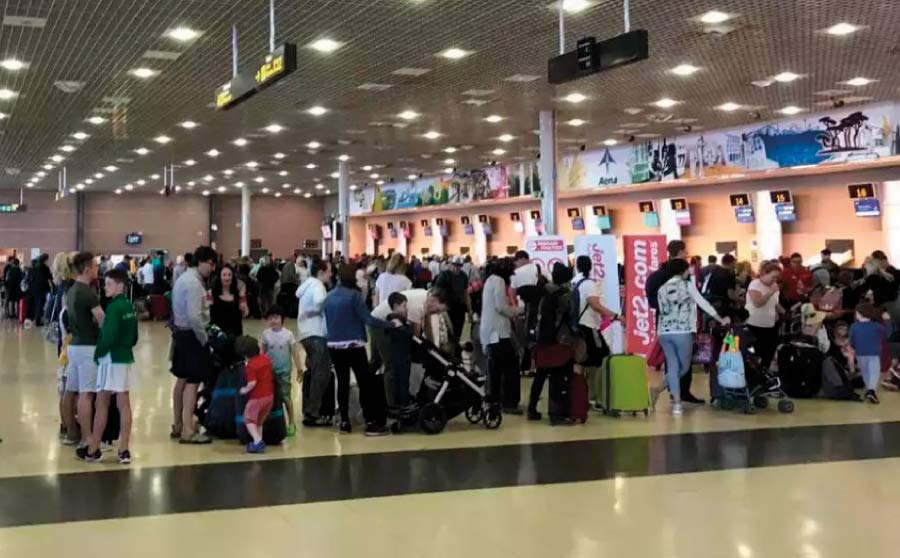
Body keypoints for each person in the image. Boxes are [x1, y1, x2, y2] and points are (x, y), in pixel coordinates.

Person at [323, 264, 395, 435]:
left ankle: (345, 422)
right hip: (354, 344)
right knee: (365, 383)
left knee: (342, 382)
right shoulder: (354, 296)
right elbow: (367, 319)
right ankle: (370, 420)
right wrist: (389, 324)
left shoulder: (329, 296)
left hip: (334, 345)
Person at [80, 268, 138, 464]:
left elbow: (109, 336)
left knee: (102, 403)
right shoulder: (130, 306)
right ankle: (124, 449)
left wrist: (98, 353)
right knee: (124, 404)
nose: (105, 288)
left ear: (120, 285)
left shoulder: (113, 308)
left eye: (109, 284)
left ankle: (93, 448)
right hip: (126, 358)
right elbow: (135, 336)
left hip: (110, 359)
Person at [657, 258, 729, 415]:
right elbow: (703, 304)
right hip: (682, 331)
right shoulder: (687, 285)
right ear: (682, 270)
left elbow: (662, 310)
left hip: (664, 331)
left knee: (673, 365)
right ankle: (660, 390)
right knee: (682, 368)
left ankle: (675, 403)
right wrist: (720, 319)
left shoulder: (662, 288)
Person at [371, 287, 450, 407]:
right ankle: (391, 404)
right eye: (438, 310)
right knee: (390, 363)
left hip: (379, 320)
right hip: (380, 323)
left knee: (376, 361)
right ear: (434, 300)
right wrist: (428, 350)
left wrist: (434, 348)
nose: (437, 313)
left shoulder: (425, 299)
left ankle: (368, 388)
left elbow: (427, 326)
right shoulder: (418, 305)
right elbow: (416, 336)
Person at [170, 246, 217, 444]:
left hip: (180, 334)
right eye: (211, 264)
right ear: (202, 261)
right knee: (192, 381)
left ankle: (178, 424)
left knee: (181, 379)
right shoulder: (194, 284)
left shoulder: (183, 278)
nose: (212, 269)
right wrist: (204, 339)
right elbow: (194, 317)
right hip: (192, 336)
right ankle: (188, 430)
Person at [64, 252, 105, 450]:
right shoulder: (88, 293)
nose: (97, 269)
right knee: (86, 394)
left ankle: (72, 433)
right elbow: (102, 319)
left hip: (74, 347)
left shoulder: (71, 291)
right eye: (96, 266)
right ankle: (87, 437)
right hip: (89, 347)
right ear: (87, 269)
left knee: (71, 390)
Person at [528, 263, 577, 425]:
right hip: (558, 341)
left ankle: (532, 409)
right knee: (557, 376)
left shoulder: (542, 291)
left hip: (541, 338)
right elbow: (572, 315)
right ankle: (557, 415)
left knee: (541, 375)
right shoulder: (565, 295)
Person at [573, 255, 620, 405]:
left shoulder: (574, 282)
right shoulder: (589, 284)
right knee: (599, 359)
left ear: (577, 267)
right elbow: (595, 305)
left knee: (580, 361)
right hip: (589, 326)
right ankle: (593, 396)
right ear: (590, 266)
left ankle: (580, 395)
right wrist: (616, 316)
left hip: (576, 326)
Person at [480, 257, 524, 414]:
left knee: (495, 369)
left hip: (491, 332)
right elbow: (500, 307)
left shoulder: (490, 280)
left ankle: (495, 399)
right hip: (498, 333)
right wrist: (518, 311)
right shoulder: (498, 281)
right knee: (511, 366)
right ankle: (509, 402)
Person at [296, 259, 333, 427]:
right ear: (321, 272)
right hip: (316, 333)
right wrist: (315, 311)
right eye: (329, 271)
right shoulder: (318, 286)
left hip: (305, 333)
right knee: (322, 373)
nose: (331, 274)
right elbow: (320, 303)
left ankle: (309, 409)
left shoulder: (307, 285)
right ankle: (313, 412)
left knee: (313, 372)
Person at [262, 305, 301, 437]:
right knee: (270, 397)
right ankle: (271, 422)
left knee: (285, 396)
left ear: (282, 319)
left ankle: (291, 422)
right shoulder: (265, 334)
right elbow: (262, 352)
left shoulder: (288, 334)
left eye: (276, 317)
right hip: (269, 372)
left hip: (284, 371)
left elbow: (295, 352)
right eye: (271, 318)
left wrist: (299, 367)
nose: (273, 320)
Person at [235, 335, 275, 453]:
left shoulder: (251, 366)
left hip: (257, 397)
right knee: (259, 421)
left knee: (248, 419)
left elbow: (252, 382)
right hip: (269, 396)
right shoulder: (265, 359)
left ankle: (257, 441)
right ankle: (258, 439)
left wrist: (244, 390)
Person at [745, 261, 783, 371]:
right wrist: (770, 292)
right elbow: (757, 303)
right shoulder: (755, 284)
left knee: (770, 352)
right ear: (764, 274)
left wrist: (782, 311)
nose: (775, 280)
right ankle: (756, 375)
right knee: (759, 353)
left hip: (771, 324)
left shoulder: (774, 286)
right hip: (756, 325)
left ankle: (765, 373)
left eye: (777, 278)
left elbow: (775, 302)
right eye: (773, 277)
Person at [850, 302, 885, 404]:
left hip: (860, 353)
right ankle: (871, 390)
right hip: (874, 353)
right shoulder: (877, 326)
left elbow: (852, 341)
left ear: (859, 314)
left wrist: (853, 347)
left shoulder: (854, 326)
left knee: (865, 372)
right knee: (874, 372)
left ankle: (868, 389)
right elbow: (884, 334)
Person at [434, 256, 470, 342]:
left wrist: (470, 309)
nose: (456, 268)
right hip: (446, 307)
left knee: (461, 332)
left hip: (460, 307)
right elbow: (436, 292)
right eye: (454, 265)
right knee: (448, 332)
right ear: (450, 264)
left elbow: (465, 293)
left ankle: (459, 350)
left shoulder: (463, 276)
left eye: (458, 266)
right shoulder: (444, 275)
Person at [210, 264, 248, 337]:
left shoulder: (239, 294)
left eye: (229, 275)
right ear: (219, 277)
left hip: (236, 333)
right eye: (224, 275)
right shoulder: (210, 293)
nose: (227, 278)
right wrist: (216, 333)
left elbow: (246, 313)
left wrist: (244, 307)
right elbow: (206, 316)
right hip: (218, 336)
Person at [702, 254, 738, 322]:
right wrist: (738, 300)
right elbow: (730, 294)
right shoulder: (729, 275)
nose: (735, 266)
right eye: (734, 263)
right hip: (723, 306)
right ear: (731, 262)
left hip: (710, 304)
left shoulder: (714, 271)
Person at [28, 253, 52, 326]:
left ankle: (36, 319)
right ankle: (38, 321)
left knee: (36, 303)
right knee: (40, 304)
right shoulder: (45, 267)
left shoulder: (35, 266)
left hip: (34, 288)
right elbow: (50, 277)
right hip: (42, 288)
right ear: (45, 259)